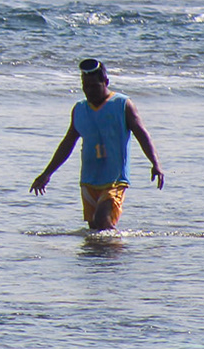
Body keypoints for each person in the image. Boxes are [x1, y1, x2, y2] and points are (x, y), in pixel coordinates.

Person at [31, 58, 165, 231]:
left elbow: (142, 134)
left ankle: (121, 255)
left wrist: (156, 163)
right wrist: (47, 173)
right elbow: (67, 143)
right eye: (85, 86)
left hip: (115, 180)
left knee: (102, 220)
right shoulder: (79, 109)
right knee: (94, 231)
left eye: (94, 86)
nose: (89, 91)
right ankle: (103, 258)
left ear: (106, 82)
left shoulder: (122, 105)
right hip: (88, 180)